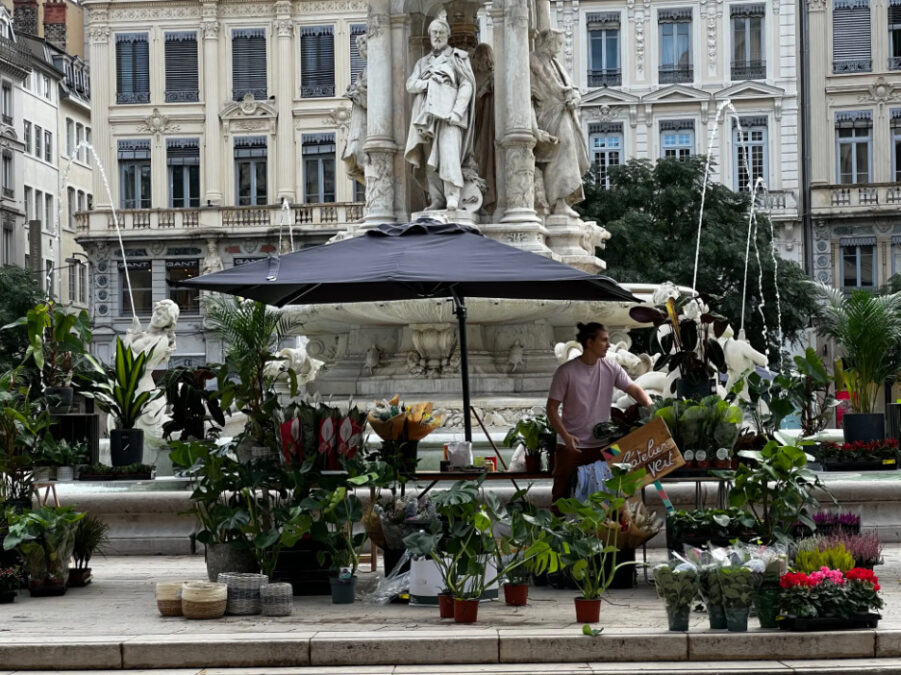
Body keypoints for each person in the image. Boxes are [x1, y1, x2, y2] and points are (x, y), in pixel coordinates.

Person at [546, 322, 652, 504]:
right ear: (589, 342)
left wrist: (652, 410)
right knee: (560, 496)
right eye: (604, 340)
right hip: (570, 446)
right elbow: (551, 408)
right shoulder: (566, 372)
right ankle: (558, 529)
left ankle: (613, 528)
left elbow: (634, 390)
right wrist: (566, 436)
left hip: (603, 446)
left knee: (611, 493)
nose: (609, 345)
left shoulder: (611, 367)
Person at [404, 10, 477, 211]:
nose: (437, 36)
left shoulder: (457, 58)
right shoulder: (423, 62)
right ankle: (437, 198)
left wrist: (457, 111)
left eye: (440, 33)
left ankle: (453, 195)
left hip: (449, 116)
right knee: (429, 160)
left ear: (447, 35)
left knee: (449, 154)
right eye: (433, 33)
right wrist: (427, 84)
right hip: (426, 117)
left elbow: (467, 85)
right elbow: (410, 84)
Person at [530, 29, 591, 217]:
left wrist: (574, 97)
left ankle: (564, 201)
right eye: (559, 43)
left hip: (563, 114)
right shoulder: (533, 61)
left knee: (568, 154)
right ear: (549, 42)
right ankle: (558, 201)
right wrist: (534, 128)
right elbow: (526, 99)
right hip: (548, 117)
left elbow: (571, 88)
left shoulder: (554, 63)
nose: (561, 47)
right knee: (562, 154)